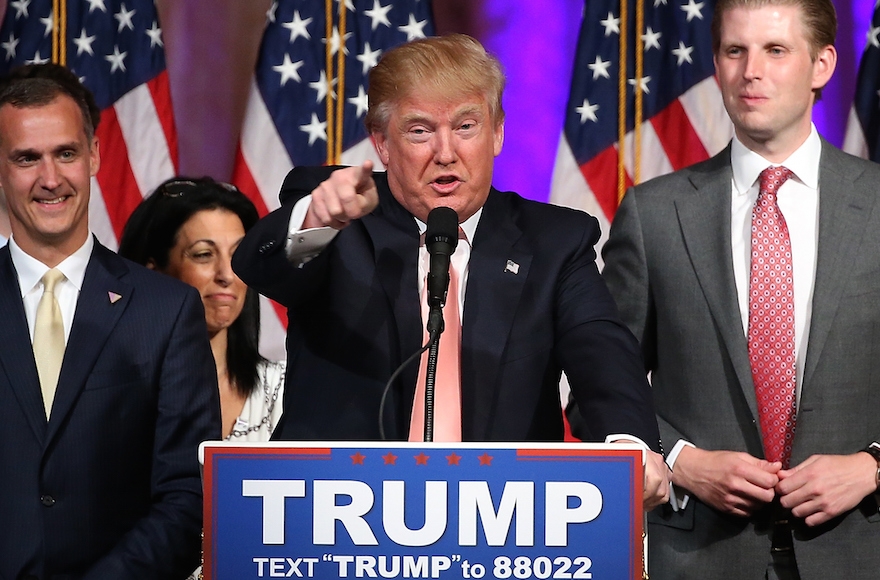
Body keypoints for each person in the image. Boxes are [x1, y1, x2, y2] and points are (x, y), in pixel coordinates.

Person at [233, 33, 669, 509]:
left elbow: (601, 348)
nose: (446, 152)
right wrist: (318, 219)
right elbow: (259, 265)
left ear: (497, 133)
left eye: (466, 126)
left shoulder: (555, 240)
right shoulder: (340, 215)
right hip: (337, 514)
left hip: (502, 519)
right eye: (420, 130)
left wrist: (630, 445)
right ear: (381, 142)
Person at [584, 0, 880, 576]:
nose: (751, 71)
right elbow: (599, 384)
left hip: (861, 549)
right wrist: (678, 460)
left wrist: (873, 468)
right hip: (699, 555)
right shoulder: (653, 213)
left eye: (776, 50)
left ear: (822, 65)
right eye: (734, 50)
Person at [0, 64, 220, 578]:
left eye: (66, 153)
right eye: (27, 158)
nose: (50, 179)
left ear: (94, 155)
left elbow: (186, 497)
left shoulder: (167, 311)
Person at [119, 177, 286, 441]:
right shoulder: (112, 391)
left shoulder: (287, 392)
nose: (227, 275)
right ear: (154, 272)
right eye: (203, 254)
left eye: (238, 254)